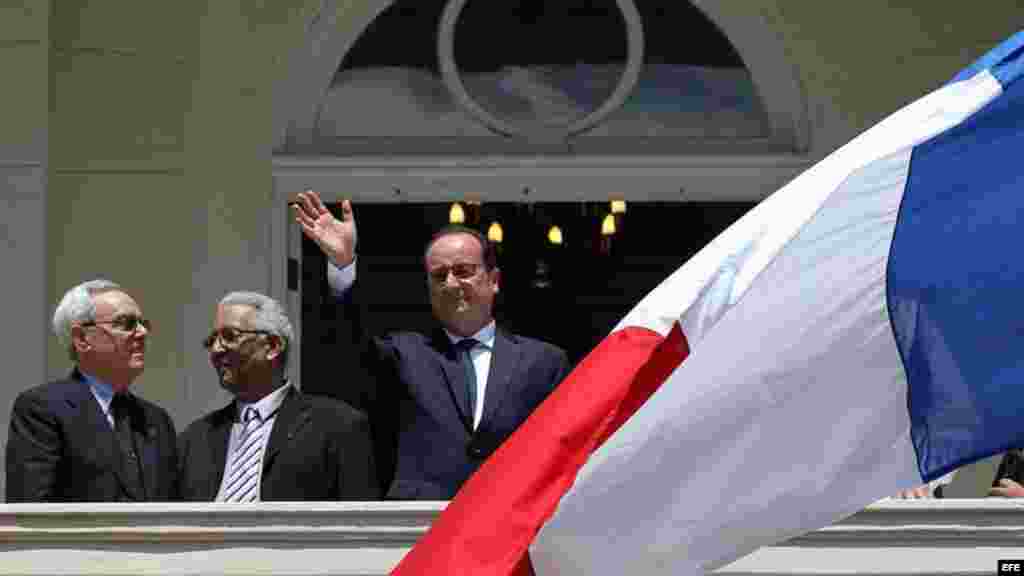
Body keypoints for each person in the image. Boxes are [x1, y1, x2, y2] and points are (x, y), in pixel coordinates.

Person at [293, 190, 571, 499]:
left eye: (463, 271)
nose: (451, 283)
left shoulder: (543, 361)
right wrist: (343, 266)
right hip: (420, 525)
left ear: (494, 280)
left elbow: (563, 445)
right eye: (439, 276)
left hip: (510, 520)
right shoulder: (405, 354)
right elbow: (348, 344)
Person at [177, 291, 378, 501]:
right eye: (212, 340)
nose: (216, 349)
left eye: (229, 336)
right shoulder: (195, 439)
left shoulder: (338, 427)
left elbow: (361, 526)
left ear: (273, 346)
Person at [6, 279, 179, 502]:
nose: (143, 332)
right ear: (81, 339)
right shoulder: (42, 410)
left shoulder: (157, 420)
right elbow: (31, 514)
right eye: (126, 323)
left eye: (143, 323)